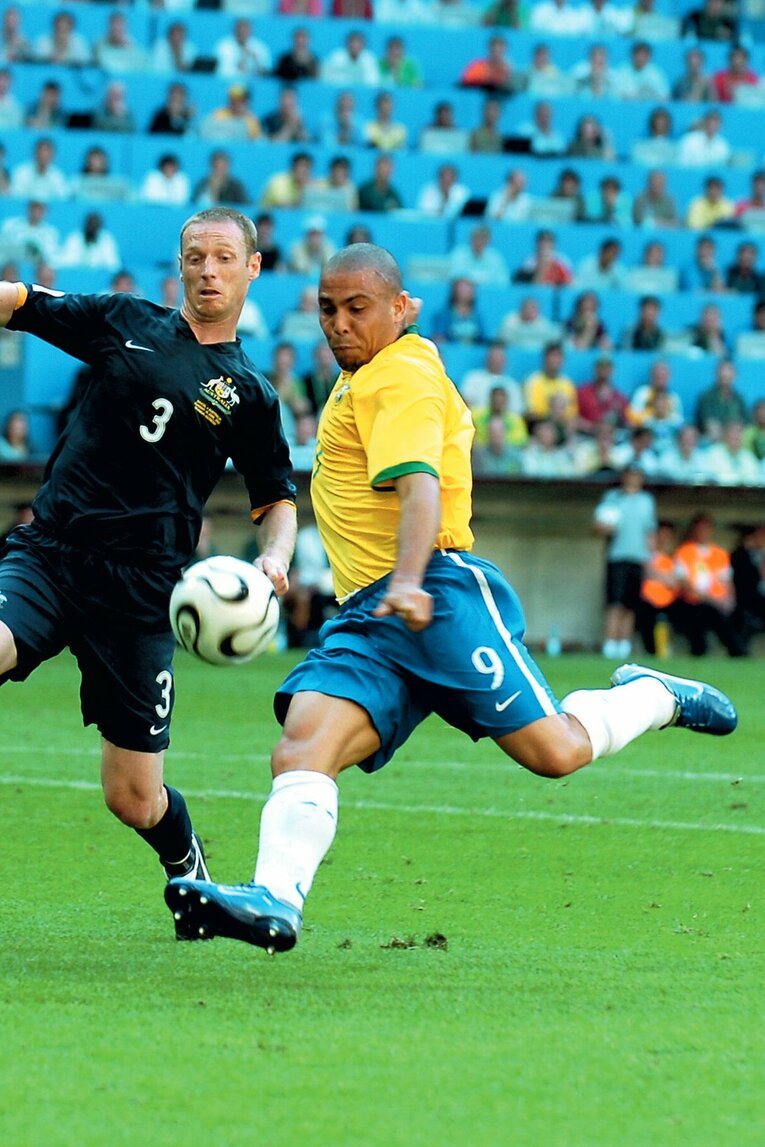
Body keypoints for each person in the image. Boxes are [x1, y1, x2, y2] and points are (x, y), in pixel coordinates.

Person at [165, 243, 737, 953]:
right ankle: (275, 900)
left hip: (433, 593)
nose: (339, 323)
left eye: (357, 308)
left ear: (402, 308)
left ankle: (654, 695)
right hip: (370, 616)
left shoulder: (399, 373)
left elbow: (420, 487)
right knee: (302, 747)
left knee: (554, 751)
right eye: (328, 309)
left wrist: (408, 579)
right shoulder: (363, 374)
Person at [0, 207, 297, 938]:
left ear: (252, 268)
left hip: (142, 597)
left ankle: (186, 861)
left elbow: (277, 499)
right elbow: (23, 302)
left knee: (133, 797)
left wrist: (275, 557)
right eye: (195, 256)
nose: (208, 270)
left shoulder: (250, 394)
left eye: (223, 257)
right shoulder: (125, 320)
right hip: (53, 555)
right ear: (180, 264)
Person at [594, 465, 657, 660]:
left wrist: (651, 558)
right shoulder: (613, 498)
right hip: (617, 557)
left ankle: (624, 644)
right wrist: (605, 527)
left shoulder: (646, 501)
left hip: (638, 558)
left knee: (631, 604)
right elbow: (599, 526)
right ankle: (610, 643)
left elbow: (649, 532)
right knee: (615, 602)